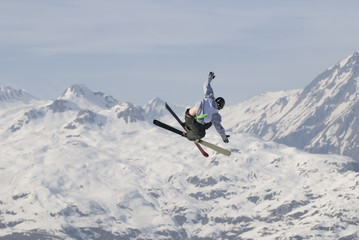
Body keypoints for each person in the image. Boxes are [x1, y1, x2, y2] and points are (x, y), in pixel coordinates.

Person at [183, 72, 230, 143]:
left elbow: (206, 85)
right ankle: (189, 135)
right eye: (219, 108)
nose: (218, 109)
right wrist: (224, 137)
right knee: (201, 134)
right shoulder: (215, 115)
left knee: (209, 123)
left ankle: (190, 127)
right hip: (191, 119)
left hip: (189, 114)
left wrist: (209, 78)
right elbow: (219, 127)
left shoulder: (209, 96)